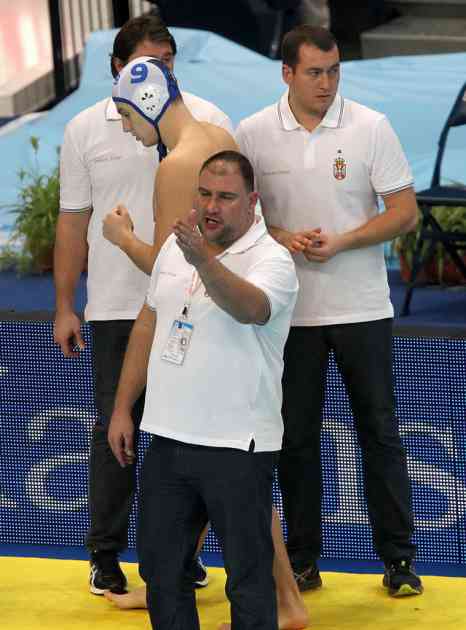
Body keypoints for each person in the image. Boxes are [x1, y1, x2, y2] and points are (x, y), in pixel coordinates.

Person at [103, 56, 310, 630]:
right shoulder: (178, 246)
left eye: (224, 197)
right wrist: (123, 408)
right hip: (167, 440)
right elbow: (149, 321)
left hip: (236, 447)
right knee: (163, 575)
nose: (211, 206)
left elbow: (250, 308)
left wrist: (199, 259)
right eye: (205, 195)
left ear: (253, 203)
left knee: (248, 581)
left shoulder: (273, 263)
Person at [236, 24, 423, 597]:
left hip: (363, 308)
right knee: (295, 440)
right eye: (315, 72)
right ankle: (302, 561)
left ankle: (398, 561)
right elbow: (238, 216)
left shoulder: (371, 127)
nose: (327, 82)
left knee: (380, 434)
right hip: (287, 316)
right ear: (287, 73)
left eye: (335, 70)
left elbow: (406, 212)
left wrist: (343, 242)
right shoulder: (253, 133)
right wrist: (282, 235)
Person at [53, 15, 233, 595]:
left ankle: (184, 557)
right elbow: (72, 218)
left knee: (194, 440)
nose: (161, 74)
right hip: (119, 308)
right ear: (119, 71)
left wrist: (126, 239)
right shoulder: (85, 128)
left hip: (195, 309)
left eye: (168, 63)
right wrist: (65, 303)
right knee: (118, 429)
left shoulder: (205, 129)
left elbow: (176, 255)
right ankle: (105, 554)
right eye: (148, 64)